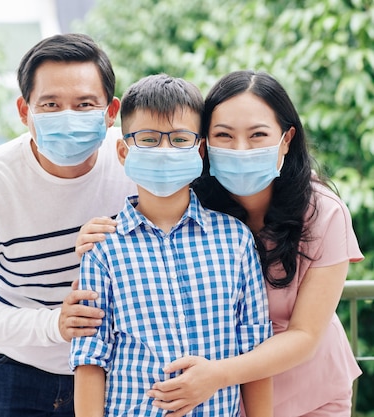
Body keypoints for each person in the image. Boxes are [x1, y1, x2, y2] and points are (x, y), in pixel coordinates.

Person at [75, 70, 364, 416]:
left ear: (286, 139)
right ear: (206, 144)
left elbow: (305, 335)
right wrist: (94, 239)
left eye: (258, 135)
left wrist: (217, 375)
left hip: (305, 387)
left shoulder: (321, 213)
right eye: (224, 135)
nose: (240, 149)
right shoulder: (188, 196)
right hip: (220, 397)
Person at [0, 33, 136, 417]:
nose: (69, 116)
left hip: (114, 365)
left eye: (84, 104)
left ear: (111, 111)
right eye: (51, 104)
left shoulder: (135, 161)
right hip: (9, 365)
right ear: (24, 111)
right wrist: (52, 325)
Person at [70, 73, 273, 417]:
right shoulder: (103, 248)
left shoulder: (235, 239)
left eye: (180, 139)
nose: (164, 151)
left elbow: (254, 349)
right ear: (123, 150)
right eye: (148, 139)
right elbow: (90, 358)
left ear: (201, 150)